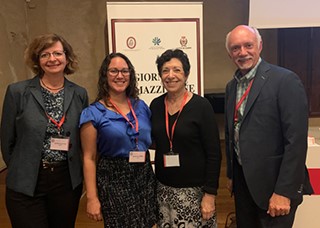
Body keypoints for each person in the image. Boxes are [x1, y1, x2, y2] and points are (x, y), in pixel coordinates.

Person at [224, 25, 314, 228]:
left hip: (275, 188)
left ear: (260, 46)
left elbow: (296, 142)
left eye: (248, 45)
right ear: (230, 53)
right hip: (244, 185)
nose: (242, 52)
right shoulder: (232, 86)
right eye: (236, 48)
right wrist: (231, 175)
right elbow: (232, 133)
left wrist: (284, 191)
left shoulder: (285, 81)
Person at [0, 33, 89, 227]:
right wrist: (22, 167)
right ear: (37, 60)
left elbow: (82, 139)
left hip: (65, 182)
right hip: (27, 181)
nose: (52, 59)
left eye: (57, 53)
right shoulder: (17, 92)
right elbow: (7, 140)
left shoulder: (80, 94)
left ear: (67, 57)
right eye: (45, 54)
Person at [79, 52, 157, 227]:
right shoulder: (92, 113)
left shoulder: (141, 106)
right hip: (113, 178)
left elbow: (149, 139)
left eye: (124, 71)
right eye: (113, 71)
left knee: (147, 223)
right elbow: (89, 158)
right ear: (105, 75)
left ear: (131, 74)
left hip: (144, 175)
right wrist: (92, 198)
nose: (120, 75)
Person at [150, 49, 222, 227]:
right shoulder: (156, 105)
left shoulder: (201, 106)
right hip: (163, 190)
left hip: (194, 192)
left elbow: (214, 153)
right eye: (165, 70)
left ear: (186, 74)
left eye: (176, 70)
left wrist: (210, 194)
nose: (170, 75)